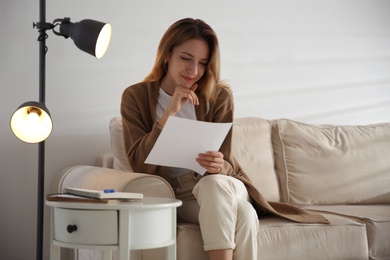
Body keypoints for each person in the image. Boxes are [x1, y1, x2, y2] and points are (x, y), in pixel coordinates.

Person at [121, 18, 329, 260]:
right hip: (181, 193)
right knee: (245, 216)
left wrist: (220, 165)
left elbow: (227, 161)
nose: (193, 71)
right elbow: (138, 163)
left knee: (213, 184)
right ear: (167, 54)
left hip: (225, 184)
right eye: (186, 58)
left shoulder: (218, 96)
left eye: (202, 63)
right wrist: (169, 114)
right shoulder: (135, 96)